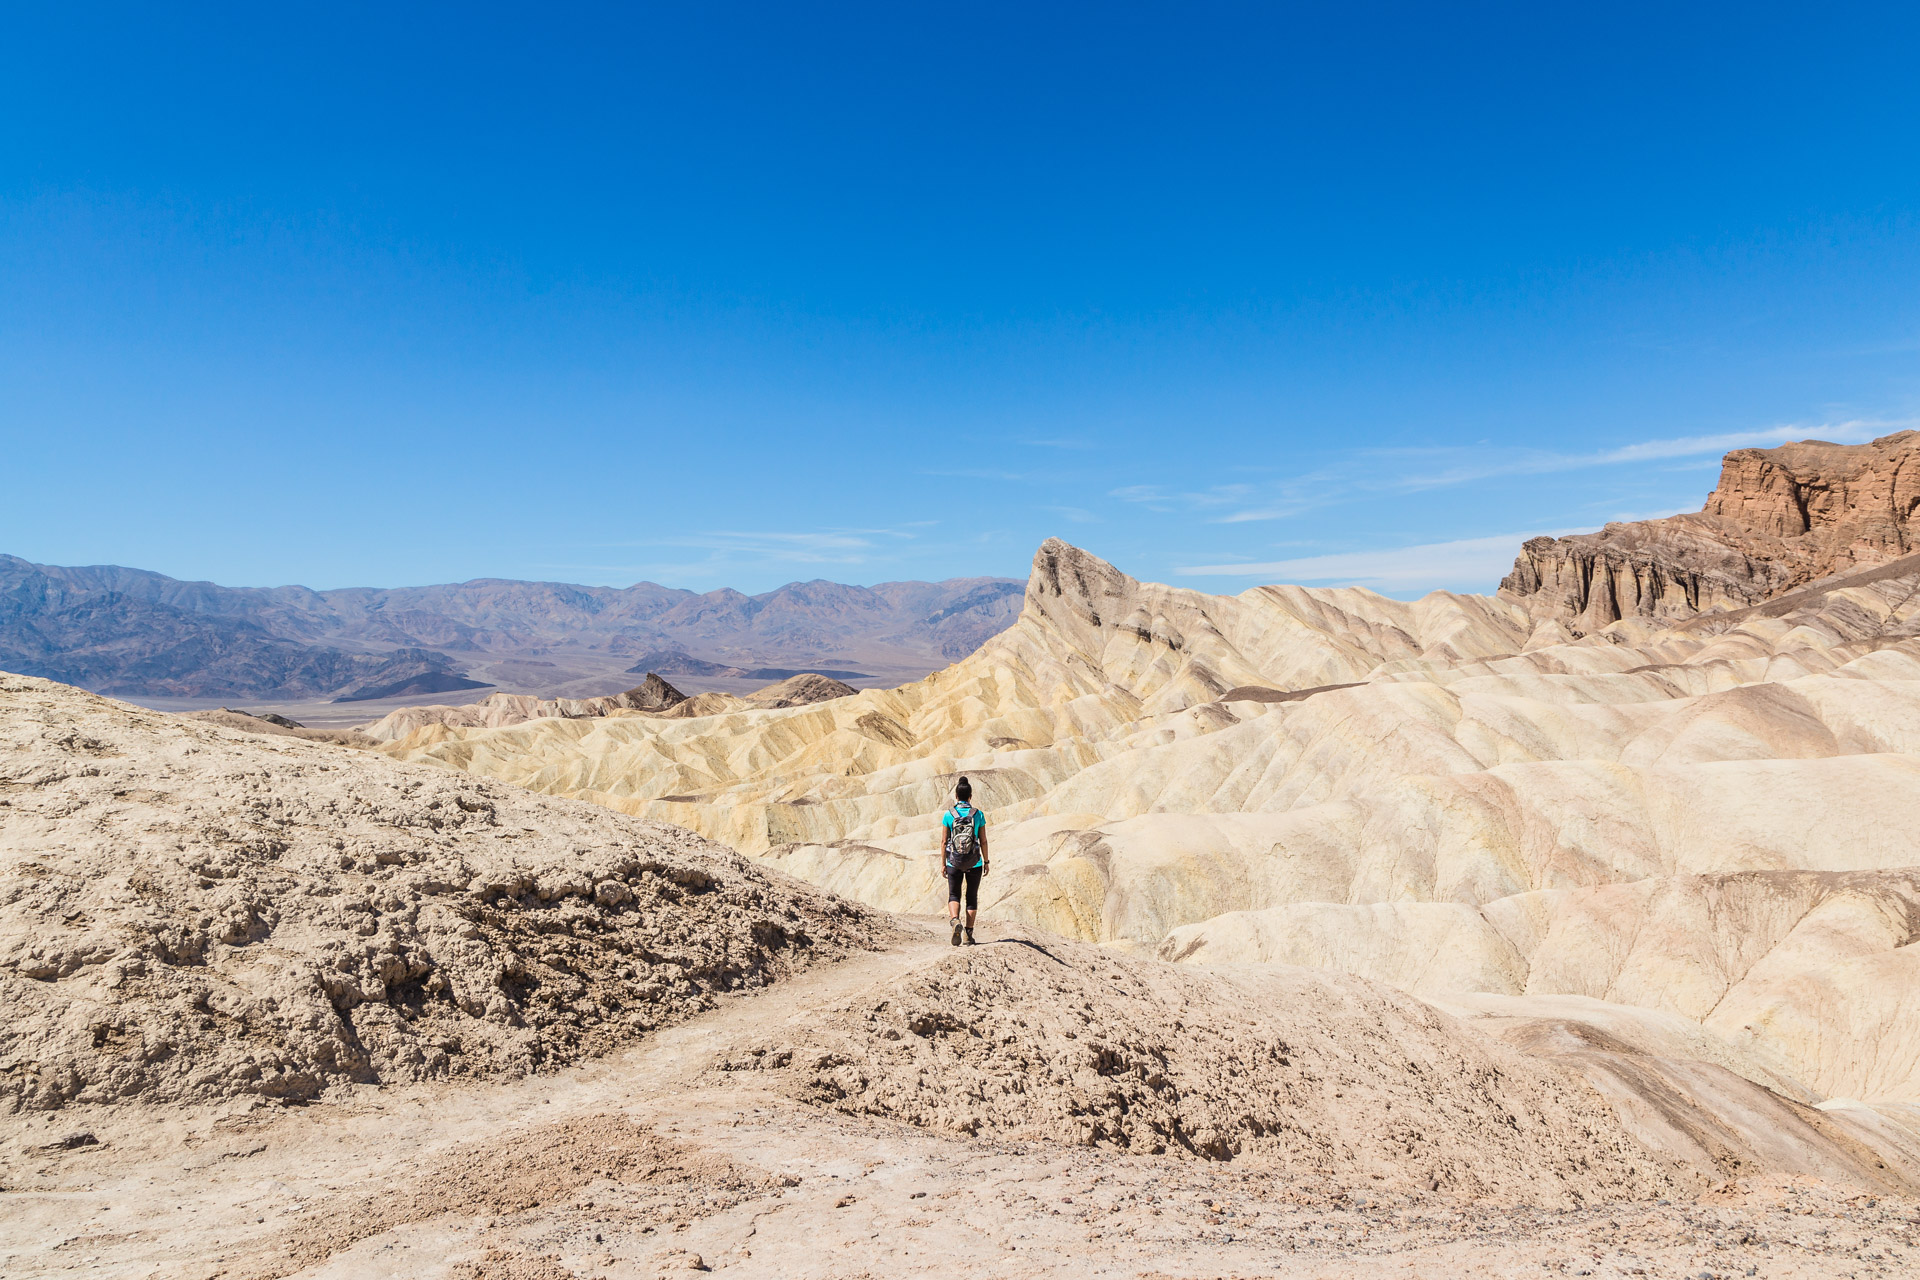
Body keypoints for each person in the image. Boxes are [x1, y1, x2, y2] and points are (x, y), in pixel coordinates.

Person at [939, 776, 989, 946]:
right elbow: (983, 841)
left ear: (956, 796)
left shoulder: (948, 815)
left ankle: (955, 921)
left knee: (954, 895)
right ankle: (968, 934)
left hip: (954, 862)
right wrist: (987, 861)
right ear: (970, 796)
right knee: (971, 897)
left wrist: (943, 864)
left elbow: (944, 842)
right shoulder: (978, 814)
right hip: (974, 862)